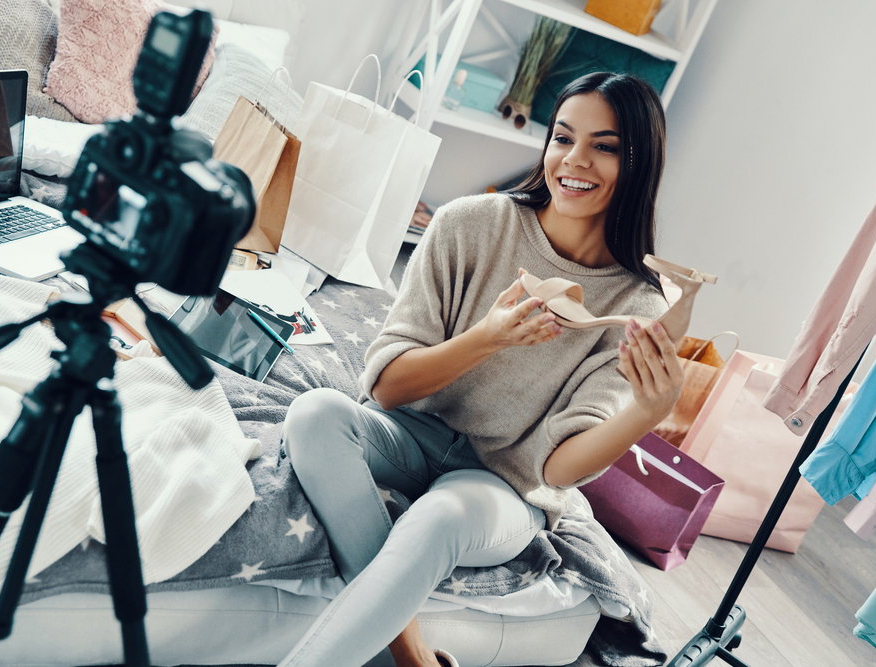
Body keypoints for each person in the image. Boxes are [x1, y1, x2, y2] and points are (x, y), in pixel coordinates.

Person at [279, 71, 686, 667]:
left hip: (504, 486)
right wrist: (487, 339)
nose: (574, 160)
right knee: (315, 413)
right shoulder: (468, 225)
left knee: (439, 517)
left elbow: (558, 466)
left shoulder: (638, 306)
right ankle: (410, 649)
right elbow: (387, 386)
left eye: (605, 146)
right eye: (563, 137)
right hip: (408, 436)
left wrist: (647, 413)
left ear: (639, 164)